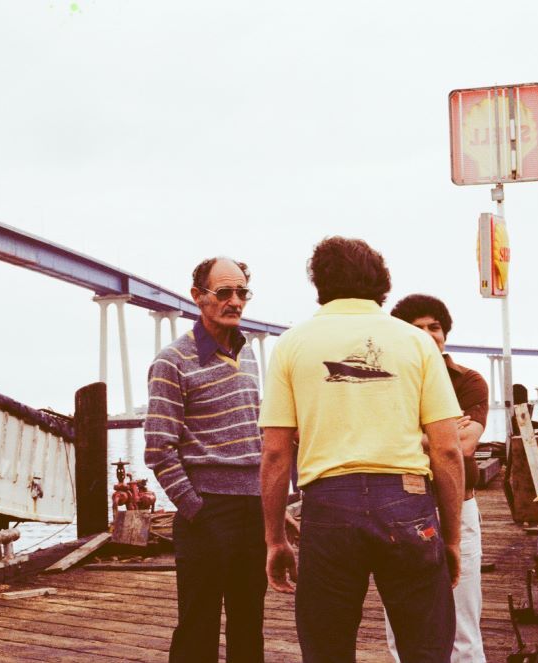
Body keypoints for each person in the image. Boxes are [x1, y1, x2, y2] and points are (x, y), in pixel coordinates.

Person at [259, 236, 465, 663]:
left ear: (319, 283)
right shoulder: (416, 342)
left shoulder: (292, 344)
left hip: (328, 506)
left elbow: (276, 455)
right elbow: (447, 451)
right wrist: (452, 537)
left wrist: (275, 539)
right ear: (381, 283)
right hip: (408, 502)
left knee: (328, 650)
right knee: (426, 649)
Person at [144, 256, 266, 663]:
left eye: (242, 292)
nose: (235, 301)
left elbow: (257, 434)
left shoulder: (249, 355)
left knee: (250, 625)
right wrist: (197, 509)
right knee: (198, 629)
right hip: (209, 512)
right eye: (224, 292)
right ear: (198, 297)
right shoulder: (172, 361)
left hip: (254, 512)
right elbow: (159, 448)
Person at [385, 294, 489, 663]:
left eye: (435, 328)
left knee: (463, 623)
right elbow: (447, 437)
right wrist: (442, 431)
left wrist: (411, 432)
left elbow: (463, 444)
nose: (429, 335)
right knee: (403, 619)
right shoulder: (386, 383)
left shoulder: (469, 381)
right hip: (402, 504)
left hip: (459, 506)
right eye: (417, 329)